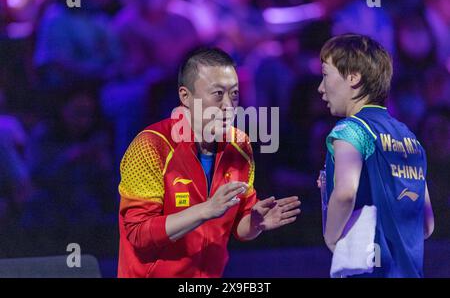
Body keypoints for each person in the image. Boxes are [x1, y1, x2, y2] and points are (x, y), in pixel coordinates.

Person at [117, 47, 301, 278]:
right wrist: (205, 210)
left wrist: (255, 223)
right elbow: (138, 233)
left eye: (234, 94)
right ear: (185, 96)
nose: (228, 105)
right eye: (217, 94)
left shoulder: (240, 145)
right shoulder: (151, 146)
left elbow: (239, 228)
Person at [317, 34, 434, 277]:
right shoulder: (410, 138)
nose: (320, 88)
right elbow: (426, 224)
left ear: (353, 77)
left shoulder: (351, 130)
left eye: (326, 75)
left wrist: (331, 237)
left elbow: (346, 193)